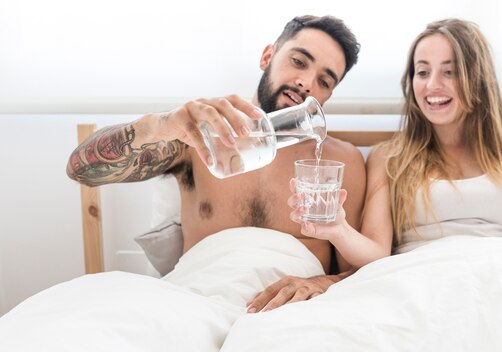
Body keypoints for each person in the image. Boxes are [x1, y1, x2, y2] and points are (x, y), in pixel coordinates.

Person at [67, 15, 366, 312]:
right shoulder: (196, 137)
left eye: (324, 81)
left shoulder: (341, 163)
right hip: (195, 300)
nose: (306, 82)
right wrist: (159, 125)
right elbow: (81, 170)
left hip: (289, 312)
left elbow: (361, 270)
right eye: (299, 62)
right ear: (267, 56)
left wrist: (321, 284)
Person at [287, 18, 502, 269]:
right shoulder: (390, 156)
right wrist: (338, 228)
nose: (433, 85)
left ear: (478, 79)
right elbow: (376, 253)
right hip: (424, 282)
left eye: (450, 72)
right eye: (422, 72)